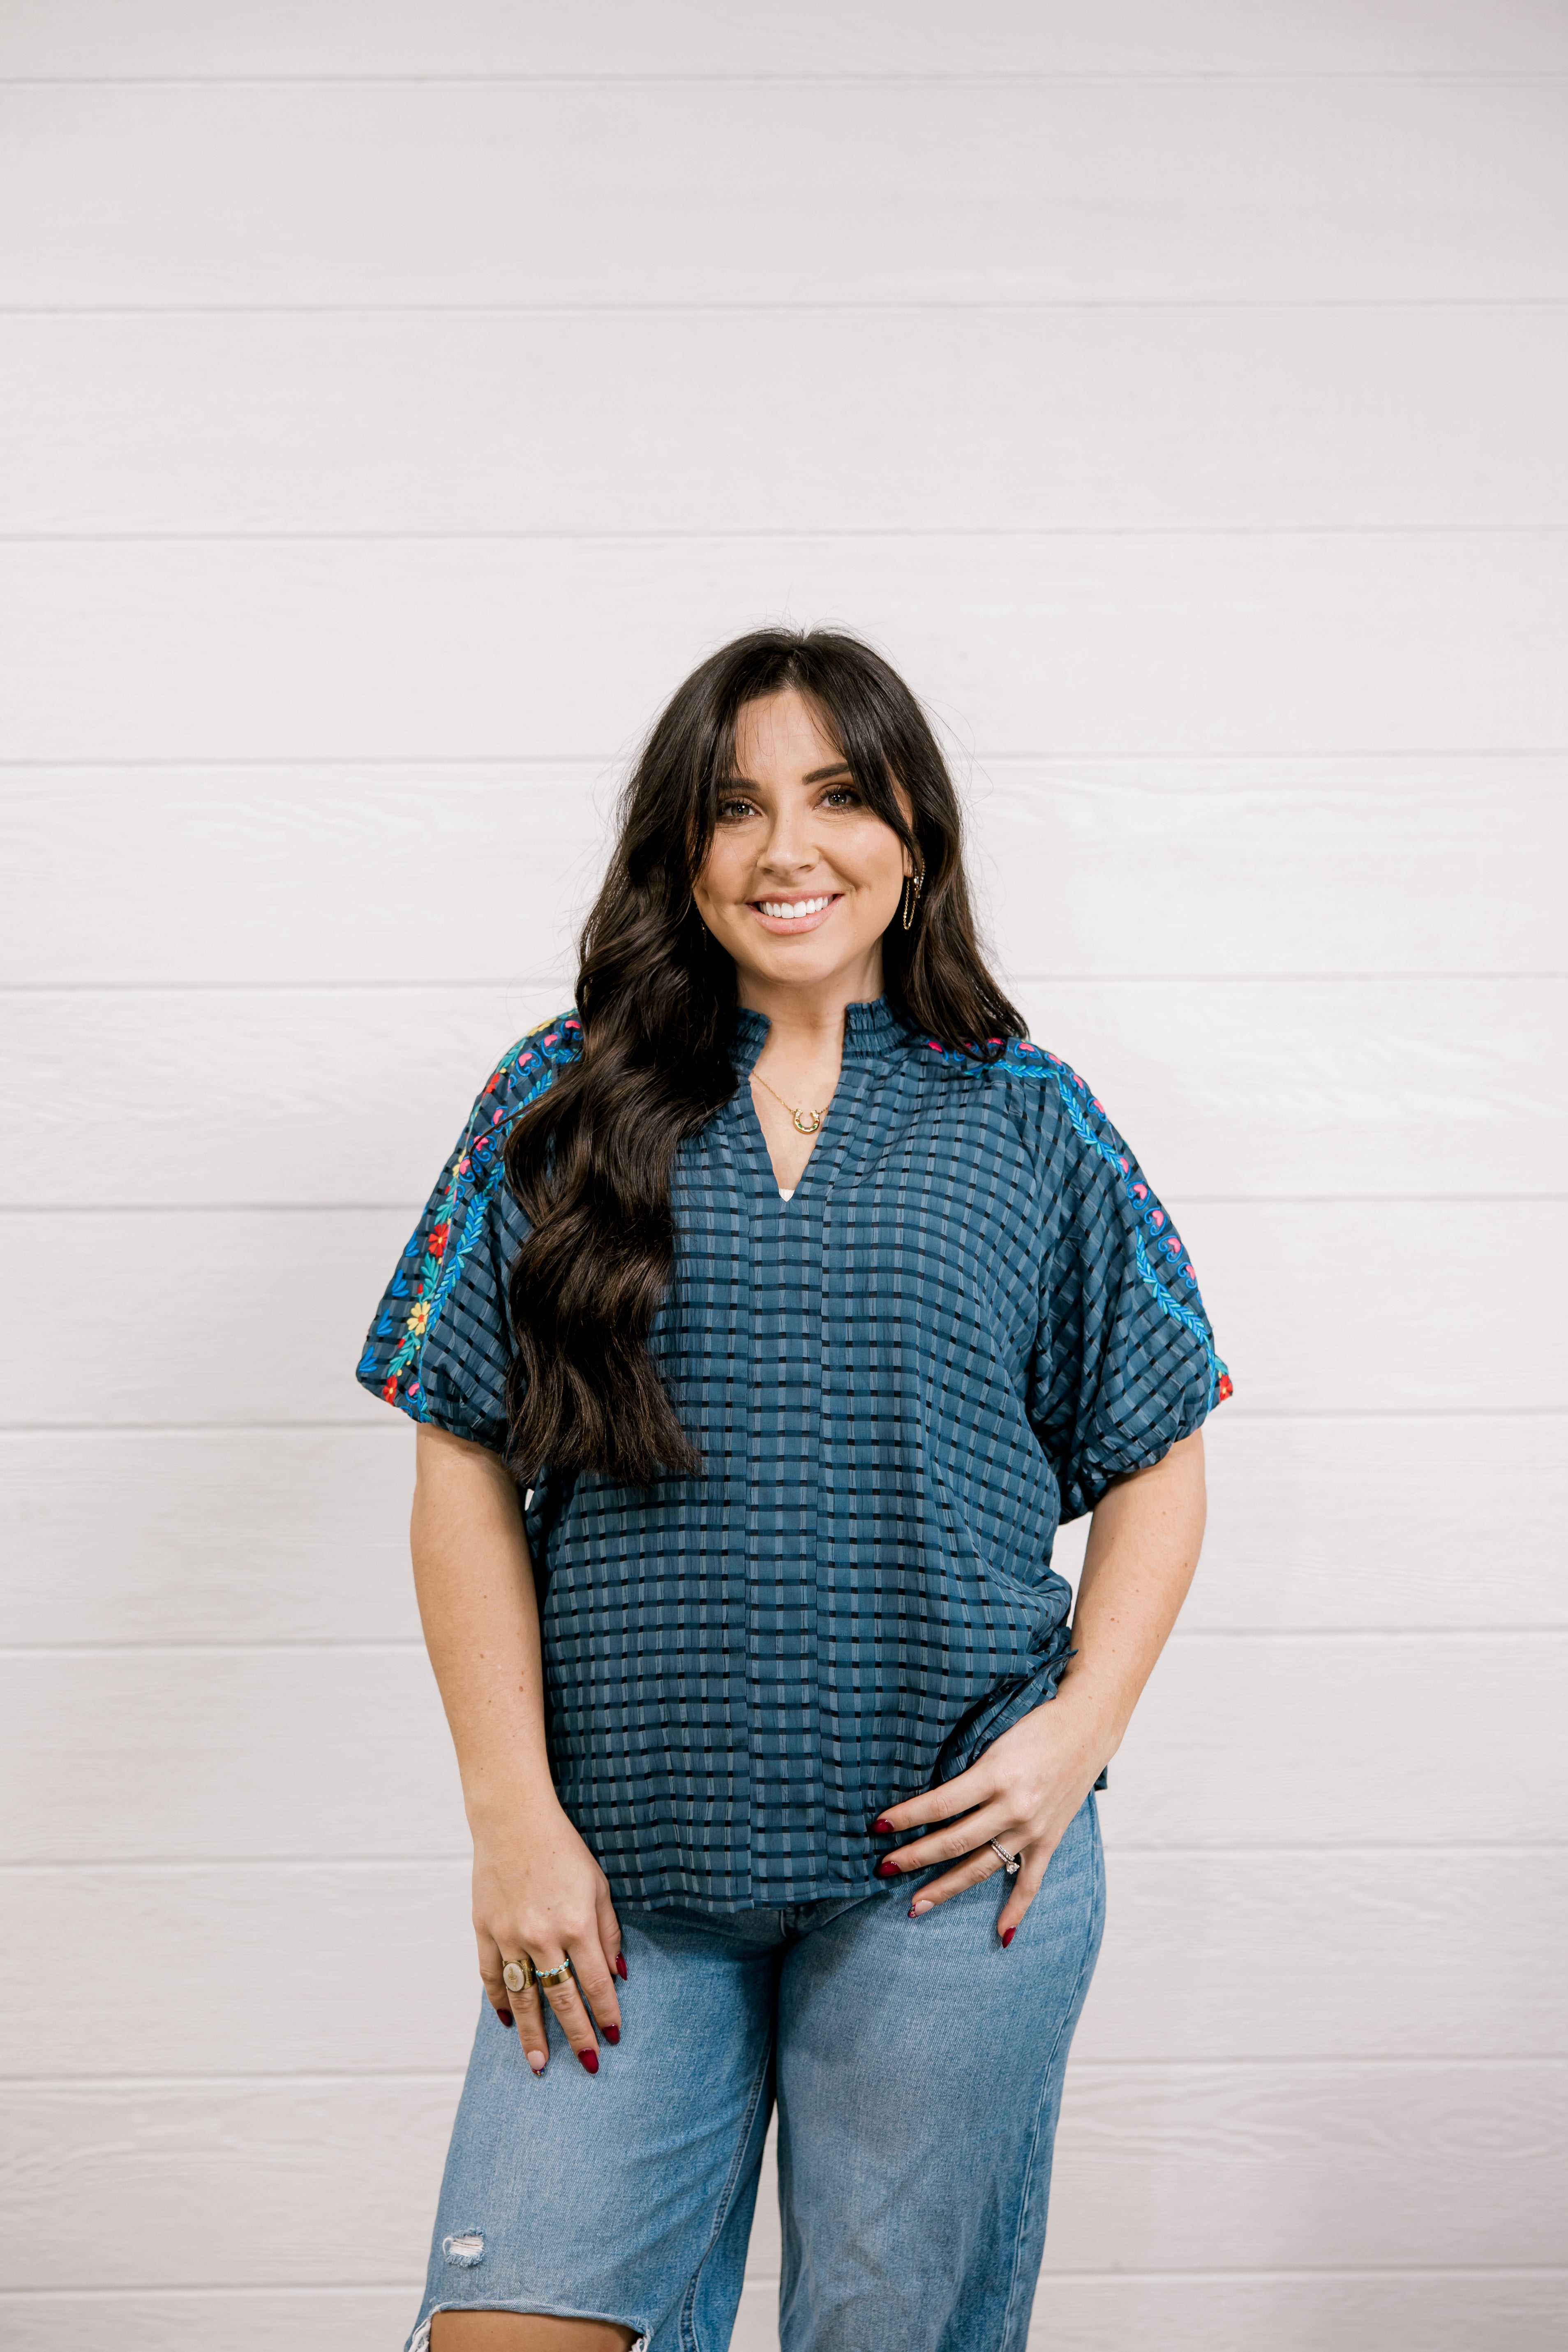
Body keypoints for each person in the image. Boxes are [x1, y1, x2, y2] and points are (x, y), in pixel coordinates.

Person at [356, 628, 1229, 2352]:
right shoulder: (556, 1096)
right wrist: (510, 1814)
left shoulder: (1030, 1119)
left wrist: (1077, 1735)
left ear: (915, 834)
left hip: (943, 1875)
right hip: (620, 1874)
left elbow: (1162, 1443)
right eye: (736, 806)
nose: (788, 850)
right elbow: (457, 1447)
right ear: (680, 848)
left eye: (837, 797)